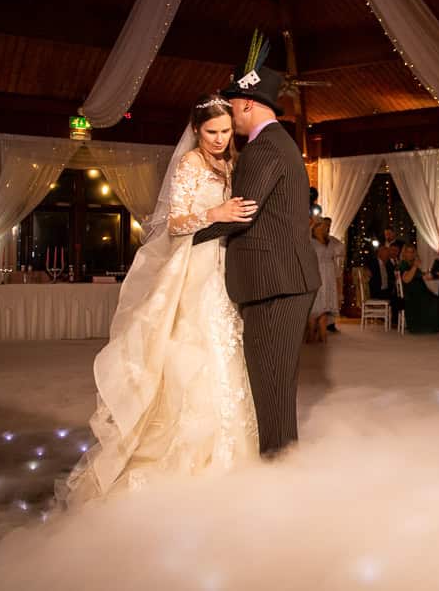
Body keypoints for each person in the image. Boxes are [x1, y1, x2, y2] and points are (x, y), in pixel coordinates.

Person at [58, 94, 262, 505]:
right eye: (211, 132)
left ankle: (228, 453)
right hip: (195, 266)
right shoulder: (189, 164)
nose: (220, 139)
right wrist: (216, 214)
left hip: (221, 264)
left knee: (225, 348)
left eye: (225, 131)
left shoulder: (228, 162)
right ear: (196, 130)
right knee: (193, 349)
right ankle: (185, 458)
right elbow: (174, 222)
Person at [192, 36, 320, 456]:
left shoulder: (263, 148)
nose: (229, 117)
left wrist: (189, 235)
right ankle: (283, 467)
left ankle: (280, 470)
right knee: (275, 386)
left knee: (270, 387)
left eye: (231, 107)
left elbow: (241, 213)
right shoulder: (279, 143)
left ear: (247, 103)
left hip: (274, 284)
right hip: (284, 280)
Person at [398, 244, 439, 333]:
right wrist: (415, 266)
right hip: (412, 294)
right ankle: (424, 327)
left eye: (412, 252)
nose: (410, 254)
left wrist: (433, 274)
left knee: (437, 299)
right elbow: (406, 279)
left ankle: (432, 326)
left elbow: (421, 276)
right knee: (434, 301)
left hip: (420, 292)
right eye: (408, 252)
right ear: (404, 253)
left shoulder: (412, 265)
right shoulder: (403, 264)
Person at [308, 219, 338, 343]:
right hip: (317, 273)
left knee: (325, 307)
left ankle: (323, 335)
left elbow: (340, 249)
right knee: (315, 306)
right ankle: (311, 334)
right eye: (322, 226)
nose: (325, 228)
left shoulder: (330, 241)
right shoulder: (310, 242)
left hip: (329, 276)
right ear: (315, 228)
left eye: (326, 226)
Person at [321, 217, 346, 333]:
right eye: (326, 225)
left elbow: (341, 249)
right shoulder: (315, 239)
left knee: (331, 296)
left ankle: (330, 323)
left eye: (329, 225)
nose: (328, 227)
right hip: (320, 271)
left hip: (330, 271)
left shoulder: (332, 240)